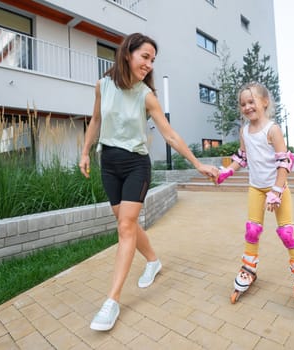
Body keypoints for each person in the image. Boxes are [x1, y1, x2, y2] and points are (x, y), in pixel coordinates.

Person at [79, 33, 218, 331]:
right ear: (127, 53)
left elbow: (169, 134)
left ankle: (112, 301)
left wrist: (197, 163)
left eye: (152, 60)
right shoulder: (102, 85)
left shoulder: (146, 95)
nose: (149, 64)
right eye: (145, 56)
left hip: (135, 164)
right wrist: (85, 152)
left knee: (125, 227)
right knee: (124, 221)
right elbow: (96, 121)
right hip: (109, 164)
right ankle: (153, 261)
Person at [215, 82, 294, 322]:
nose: (247, 107)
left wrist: (277, 190)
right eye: (243, 104)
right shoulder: (244, 131)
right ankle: (249, 269)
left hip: (277, 188)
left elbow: (285, 161)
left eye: (252, 102)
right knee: (252, 230)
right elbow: (241, 157)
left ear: (264, 103)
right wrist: (227, 171)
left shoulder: (272, 129)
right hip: (256, 188)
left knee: (287, 232)